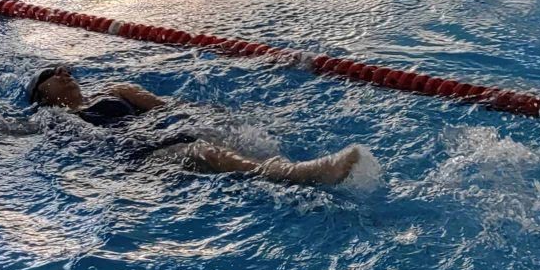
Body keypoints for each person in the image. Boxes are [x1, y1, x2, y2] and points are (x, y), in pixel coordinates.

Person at [26, 66, 364, 186]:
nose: (63, 73)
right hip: (137, 159)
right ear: (41, 94)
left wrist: (213, 117)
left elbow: (170, 107)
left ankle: (285, 168)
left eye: (65, 69)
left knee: (224, 133)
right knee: (204, 152)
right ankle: (299, 174)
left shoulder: (117, 90)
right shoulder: (54, 118)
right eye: (51, 74)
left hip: (161, 135)